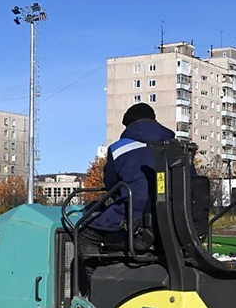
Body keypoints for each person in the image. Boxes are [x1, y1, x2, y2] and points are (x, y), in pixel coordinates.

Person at [77, 103, 179, 293]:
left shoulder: (120, 148)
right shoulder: (176, 146)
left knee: (84, 235)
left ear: (128, 126)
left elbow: (111, 184)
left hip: (138, 221)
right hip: (177, 222)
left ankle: (95, 293)